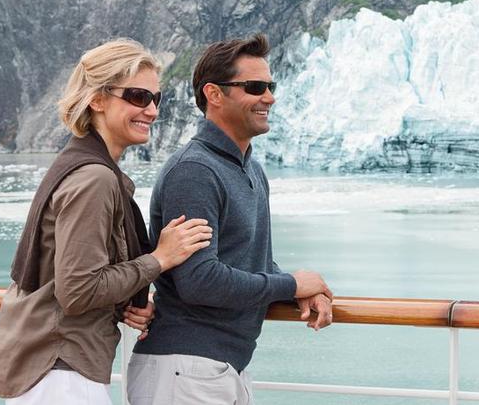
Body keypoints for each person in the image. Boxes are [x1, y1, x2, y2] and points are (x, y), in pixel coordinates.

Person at [0, 39, 214, 404]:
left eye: (156, 98)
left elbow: (66, 276)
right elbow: (77, 291)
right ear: (97, 99)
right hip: (61, 372)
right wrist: (160, 259)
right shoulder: (94, 179)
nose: (151, 110)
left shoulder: (81, 165)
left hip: (54, 368)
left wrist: (121, 304)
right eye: (137, 96)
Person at [128, 34, 333, 405]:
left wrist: (304, 290)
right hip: (186, 370)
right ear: (214, 94)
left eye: (270, 86)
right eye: (255, 87)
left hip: (219, 369)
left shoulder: (250, 170)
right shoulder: (194, 172)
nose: (269, 97)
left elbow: (254, 263)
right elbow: (200, 281)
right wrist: (290, 285)